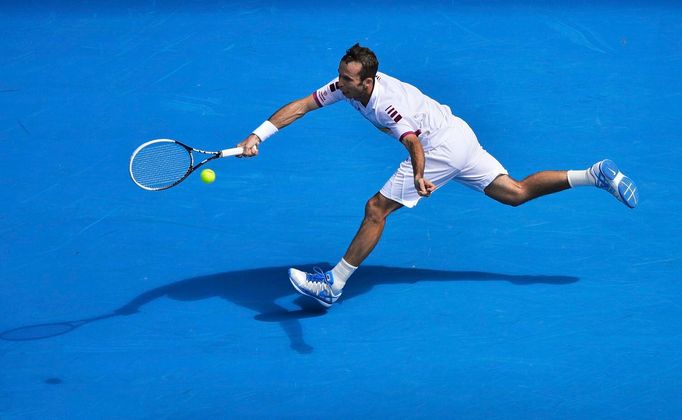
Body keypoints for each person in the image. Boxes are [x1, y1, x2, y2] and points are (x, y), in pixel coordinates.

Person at [237, 43, 639, 308]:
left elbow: (413, 143)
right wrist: (260, 134)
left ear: (368, 80)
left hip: (439, 146)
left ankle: (334, 284)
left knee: (376, 209)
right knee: (513, 193)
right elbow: (304, 105)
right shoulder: (346, 87)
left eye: (347, 79)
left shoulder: (385, 106)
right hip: (458, 133)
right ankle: (593, 174)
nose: (339, 84)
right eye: (340, 75)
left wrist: (418, 176)